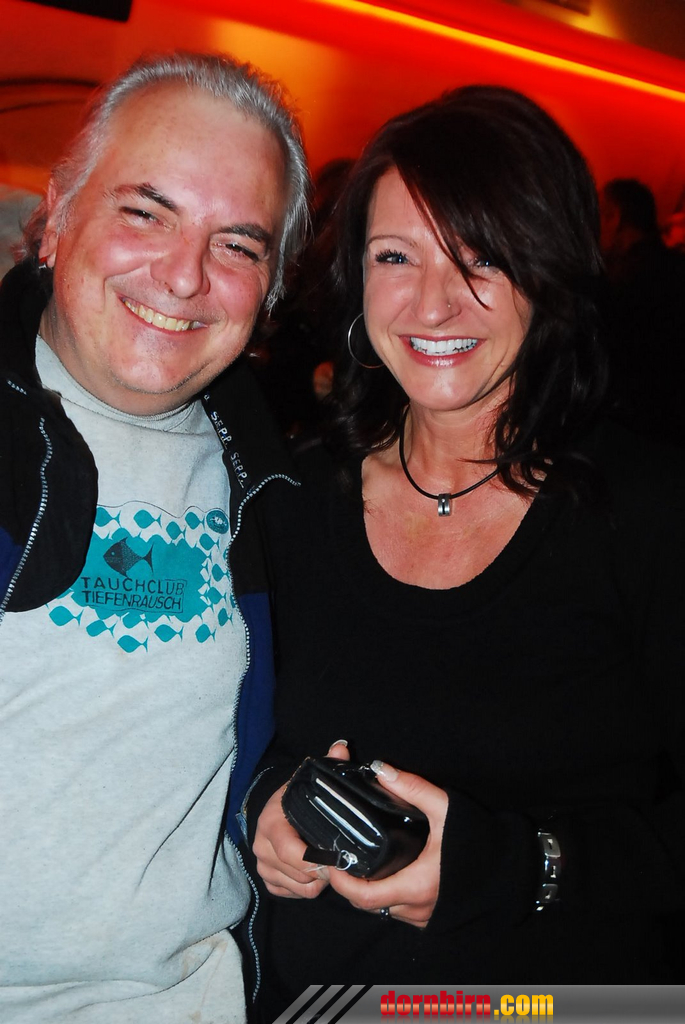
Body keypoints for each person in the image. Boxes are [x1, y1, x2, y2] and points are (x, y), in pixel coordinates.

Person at [245, 86, 685, 1016]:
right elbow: (232, 739)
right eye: (394, 256)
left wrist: (520, 868)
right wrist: (267, 809)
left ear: (549, 272)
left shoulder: (647, 514)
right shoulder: (291, 497)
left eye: (480, 256)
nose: (434, 302)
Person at [0, 51, 309, 1023]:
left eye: (238, 245)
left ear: (270, 286)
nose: (183, 275)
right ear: (57, 216)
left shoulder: (282, 492)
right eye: (146, 212)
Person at [599, 177, 685, 444]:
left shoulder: (623, 281)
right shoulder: (675, 268)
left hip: (634, 429)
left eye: (600, 215)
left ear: (615, 217)